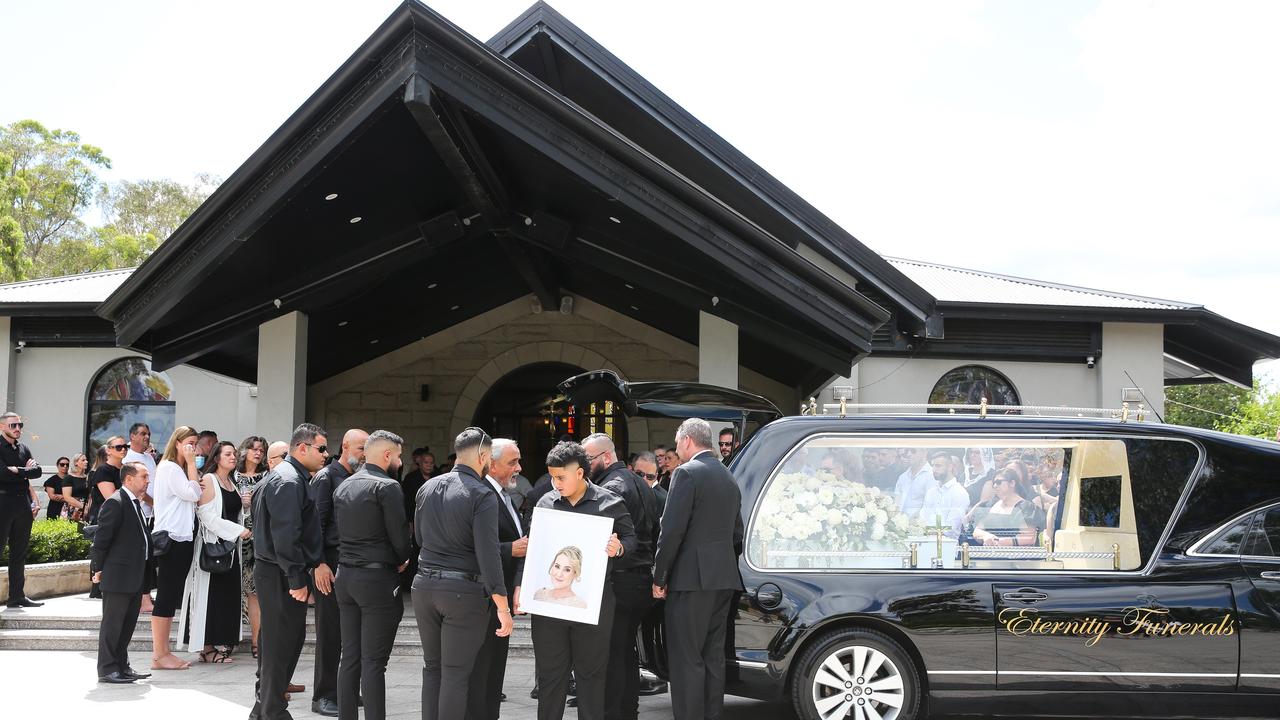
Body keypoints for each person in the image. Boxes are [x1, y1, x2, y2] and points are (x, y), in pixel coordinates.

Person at [516, 440, 635, 720]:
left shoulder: (610, 502)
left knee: (591, 678)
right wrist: (521, 585)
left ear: (580, 473)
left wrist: (619, 548)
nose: (555, 483)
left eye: (561, 477)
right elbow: (532, 549)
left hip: (593, 605)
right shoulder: (546, 503)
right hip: (549, 610)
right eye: (553, 477)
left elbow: (632, 540)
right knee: (550, 677)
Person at [413, 427, 513, 720]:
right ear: (484, 456)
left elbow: (419, 537)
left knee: (433, 668)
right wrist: (502, 605)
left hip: (424, 587)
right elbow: (488, 553)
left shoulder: (427, 487)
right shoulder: (482, 494)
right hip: (463, 593)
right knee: (455, 675)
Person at [652, 418, 744, 720]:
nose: (676, 449)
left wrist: (660, 576)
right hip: (724, 578)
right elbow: (736, 534)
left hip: (691, 579)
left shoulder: (687, 473)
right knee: (712, 657)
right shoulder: (729, 476)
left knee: (686, 658)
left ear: (688, 440)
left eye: (678, 443)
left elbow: (671, 530)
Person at [250, 423, 328, 720]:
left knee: (281, 642)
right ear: (302, 448)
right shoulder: (288, 481)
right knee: (280, 644)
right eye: (321, 448)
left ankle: (263, 709)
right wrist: (296, 578)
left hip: (278, 571)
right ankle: (273, 711)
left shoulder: (288, 477)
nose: (326, 454)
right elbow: (285, 535)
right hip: (280, 573)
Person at [332, 430, 411, 720]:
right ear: (387, 455)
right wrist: (402, 558)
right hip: (376, 580)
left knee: (350, 657)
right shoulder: (387, 487)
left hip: (347, 577)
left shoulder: (344, 485)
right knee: (374, 662)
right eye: (399, 456)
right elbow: (399, 537)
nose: (401, 462)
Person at [581, 432, 657, 720]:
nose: (585, 466)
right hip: (640, 580)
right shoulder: (641, 482)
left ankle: (614, 713)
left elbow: (601, 537)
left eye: (588, 460)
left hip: (620, 580)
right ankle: (628, 712)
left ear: (606, 457)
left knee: (613, 654)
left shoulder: (610, 488)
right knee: (626, 653)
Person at [467, 438, 527, 720]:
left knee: (494, 670)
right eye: (512, 462)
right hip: (485, 596)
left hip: (501, 591)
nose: (519, 467)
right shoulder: (481, 494)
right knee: (482, 669)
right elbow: (471, 546)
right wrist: (510, 549)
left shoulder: (504, 495)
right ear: (491, 464)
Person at [310, 428, 368, 717]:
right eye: (360, 447)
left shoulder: (356, 478)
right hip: (329, 563)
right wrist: (318, 563)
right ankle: (323, 695)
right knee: (330, 631)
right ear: (345, 446)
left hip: (350, 563)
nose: (363, 453)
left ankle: (343, 690)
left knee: (349, 633)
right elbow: (315, 526)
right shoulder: (325, 478)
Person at [180, 441, 251, 663]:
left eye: (234, 454)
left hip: (230, 548)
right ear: (217, 458)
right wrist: (238, 530)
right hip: (213, 548)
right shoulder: (209, 480)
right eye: (228, 454)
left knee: (225, 597)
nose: (233, 457)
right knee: (209, 597)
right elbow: (206, 516)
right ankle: (207, 648)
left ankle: (220, 642)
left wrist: (245, 507)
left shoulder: (232, 482)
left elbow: (233, 512)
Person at [90, 461, 153, 683]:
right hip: (117, 576)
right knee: (113, 625)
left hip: (135, 576)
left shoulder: (135, 503)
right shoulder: (115, 503)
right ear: (128, 479)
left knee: (126, 627)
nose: (148, 481)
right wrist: (97, 570)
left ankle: (121, 666)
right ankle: (107, 669)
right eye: (144, 477)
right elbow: (101, 541)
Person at [152, 426, 204, 670]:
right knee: (166, 596)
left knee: (171, 596)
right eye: (190, 442)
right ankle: (160, 654)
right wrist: (192, 465)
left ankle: (164, 652)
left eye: (196, 443)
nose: (193, 448)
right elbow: (193, 494)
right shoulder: (171, 468)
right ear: (178, 443)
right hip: (172, 538)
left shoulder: (177, 470)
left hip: (182, 537)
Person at [1, 411, 43, 607]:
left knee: (19, 552)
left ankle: (16, 596)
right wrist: (25, 472)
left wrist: (17, 470)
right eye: (13, 425)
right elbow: (2, 474)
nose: (18, 429)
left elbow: (38, 471)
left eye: (20, 425)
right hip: (2, 502)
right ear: (2, 427)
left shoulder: (23, 448)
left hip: (22, 503)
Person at [235, 436, 268, 658]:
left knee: (254, 591)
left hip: (258, 539)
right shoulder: (231, 476)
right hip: (234, 538)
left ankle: (258, 641)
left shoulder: (268, 477)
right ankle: (229, 638)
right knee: (234, 590)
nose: (257, 453)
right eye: (253, 449)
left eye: (261, 450)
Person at [124, 423, 159, 614]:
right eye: (143, 434)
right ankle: (142, 597)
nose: (147, 437)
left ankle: (145, 595)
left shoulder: (149, 458)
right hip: (140, 512)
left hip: (151, 514)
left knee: (149, 558)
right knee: (142, 557)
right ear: (132, 436)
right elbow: (136, 487)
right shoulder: (128, 458)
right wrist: (150, 501)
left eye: (149, 434)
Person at [970, 467, 1042, 548]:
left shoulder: (1026, 507)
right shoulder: (991, 505)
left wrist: (999, 542)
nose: (995, 486)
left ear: (1012, 483)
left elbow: (1029, 538)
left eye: (998, 482)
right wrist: (986, 536)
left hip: (1017, 558)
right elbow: (977, 531)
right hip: (990, 556)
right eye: (994, 483)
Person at [918, 450, 972, 532]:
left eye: (938, 466)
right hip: (926, 540)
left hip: (949, 543)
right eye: (933, 466)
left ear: (950, 467)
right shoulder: (931, 492)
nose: (934, 469)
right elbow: (922, 519)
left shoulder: (959, 493)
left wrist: (928, 531)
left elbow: (952, 527)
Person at [88, 439, 126, 524]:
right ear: (108, 450)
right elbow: (112, 497)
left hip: (122, 517)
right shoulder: (103, 470)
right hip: (105, 519)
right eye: (118, 447)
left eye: (125, 447)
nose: (123, 449)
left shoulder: (126, 469)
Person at [893, 448, 931, 516]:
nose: (909, 454)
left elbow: (930, 507)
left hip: (921, 524)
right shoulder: (902, 477)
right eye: (907, 450)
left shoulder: (932, 476)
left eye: (913, 450)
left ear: (924, 452)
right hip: (899, 523)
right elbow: (896, 503)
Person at [63, 453, 90, 521]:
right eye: (83, 460)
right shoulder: (68, 478)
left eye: (86, 460)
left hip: (87, 508)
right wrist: (83, 507)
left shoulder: (88, 478)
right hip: (73, 508)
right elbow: (67, 497)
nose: (86, 462)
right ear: (76, 463)